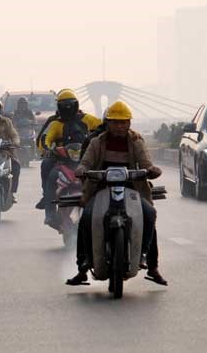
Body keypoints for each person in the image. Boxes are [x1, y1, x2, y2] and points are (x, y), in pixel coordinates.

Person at [66, 101, 167, 287]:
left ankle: (149, 262)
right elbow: (86, 163)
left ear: (129, 123)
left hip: (132, 190)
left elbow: (145, 162)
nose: (120, 126)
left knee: (149, 214)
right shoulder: (97, 142)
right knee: (86, 218)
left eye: (124, 122)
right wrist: (81, 170)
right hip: (100, 189)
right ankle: (82, 267)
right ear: (107, 123)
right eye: (115, 122)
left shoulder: (136, 141)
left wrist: (151, 170)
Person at [37, 89, 102, 218]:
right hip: (62, 159)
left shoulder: (88, 119)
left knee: (104, 175)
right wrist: (49, 150)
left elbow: (104, 130)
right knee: (47, 168)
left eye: (70, 105)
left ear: (76, 105)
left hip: (86, 159)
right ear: (59, 107)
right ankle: (49, 208)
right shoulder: (55, 122)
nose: (68, 108)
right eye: (64, 106)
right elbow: (44, 139)